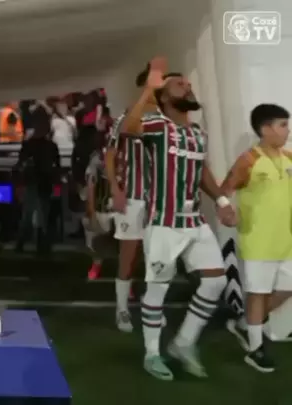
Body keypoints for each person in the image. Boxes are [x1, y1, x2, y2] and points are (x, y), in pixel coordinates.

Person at [121, 57, 235, 381]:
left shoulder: (197, 133)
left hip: (194, 221)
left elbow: (202, 171)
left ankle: (183, 343)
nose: (188, 86)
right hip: (164, 223)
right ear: (165, 96)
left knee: (216, 281)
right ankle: (152, 354)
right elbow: (128, 128)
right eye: (179, 84)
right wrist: (149, 88)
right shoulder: (158, 125)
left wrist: (222, 200)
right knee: (157, 289)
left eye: (188, 83)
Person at [221, 103, 292, 372]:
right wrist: (226, 210)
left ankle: (248, 322)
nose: (288, 130)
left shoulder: (289, 158)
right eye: (283, 125)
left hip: (287, 241)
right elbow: (225, 189)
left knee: (287, 288)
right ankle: (254, 348)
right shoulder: (249, 159)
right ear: (265, 129)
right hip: (258, 240)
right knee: (258, 293)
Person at [103, 65, 158, 332]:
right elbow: (110, 154)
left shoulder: (166, 120)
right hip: (132, 196)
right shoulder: (127, 115)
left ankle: (151, 305)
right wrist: (115, 188)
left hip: (159, 198)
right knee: (129, 254)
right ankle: (122, 308)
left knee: (156, 255)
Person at [13, 112, 60, 255]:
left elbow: (21, 164)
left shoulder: (39, 145)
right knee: (34, 215)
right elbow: (22, 164)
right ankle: (35, 244)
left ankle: (32, 244)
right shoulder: (44, 146)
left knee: (37, 215)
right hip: (35, 182)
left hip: (40, 182)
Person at [83, 133, 114, 270]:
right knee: (97, 242)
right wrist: (91, 211)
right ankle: (97, 265)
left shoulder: (123, 158)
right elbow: (91, 187)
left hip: (117, 208)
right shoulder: (97, 161)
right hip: (102, 208)